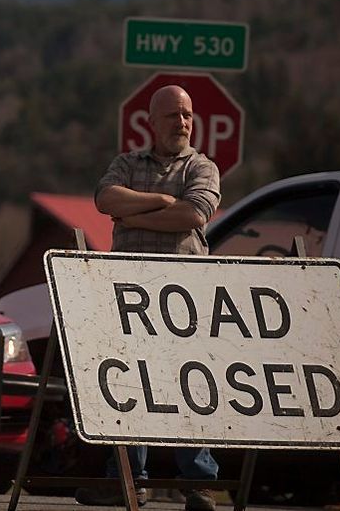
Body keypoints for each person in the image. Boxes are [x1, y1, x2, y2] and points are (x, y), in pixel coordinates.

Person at [77, 85, 222, 511]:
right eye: (173, 115)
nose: (182, 123)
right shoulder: (126, 163)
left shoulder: (203, 167)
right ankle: (126, 480)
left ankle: (199, 483)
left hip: (184, 297)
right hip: (128, 295)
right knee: (127, 384)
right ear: (151, 122)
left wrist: (134, 213)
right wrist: (161, 200)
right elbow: (105, 199)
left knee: (190, 385)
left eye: (187, 115)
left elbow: (194, 213)